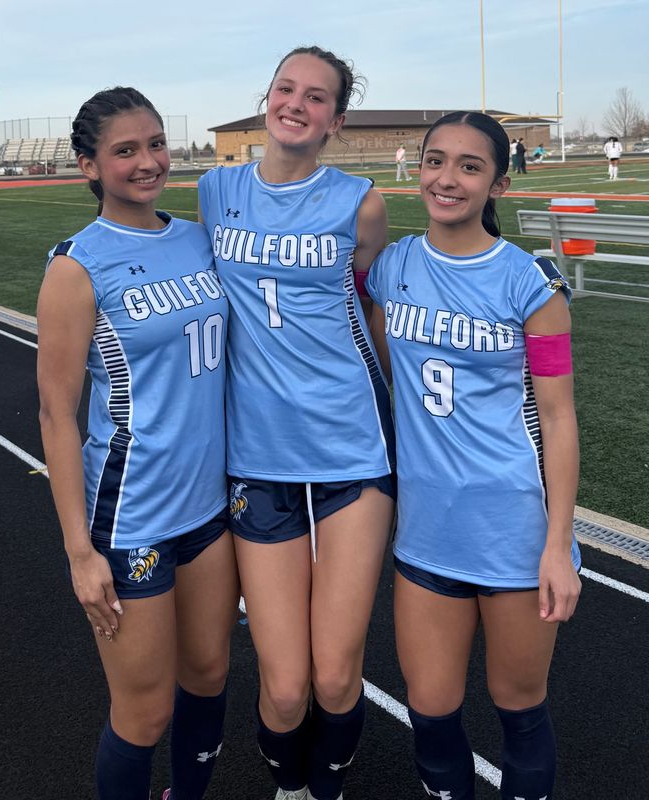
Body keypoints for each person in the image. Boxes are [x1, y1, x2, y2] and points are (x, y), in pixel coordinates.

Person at [198, 46, 396, 800]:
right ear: (267, 97)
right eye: (287, 88)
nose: (297, 104)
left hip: (351, 454)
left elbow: (371, 307)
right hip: (257, 459)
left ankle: (327, 787)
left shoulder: (361, 202)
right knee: (285, 687)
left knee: (338, 675)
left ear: (335, 121)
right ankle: (288, 786)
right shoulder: (215, 190)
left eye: (317, 98)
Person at [366, 111, 581, 800]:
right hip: (427, 535)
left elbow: (558, 417)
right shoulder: (393, 267)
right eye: (435, 160)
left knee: (519, 710)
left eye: (469, 166)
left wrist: (558, 545)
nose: (446, 178)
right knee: (430, 714)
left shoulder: (531, 285)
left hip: (514, 534)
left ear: (498, 185)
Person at [36, 86, 239, 800]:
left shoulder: (196, 237)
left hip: (210, 510)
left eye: (155, 143)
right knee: (145, 711)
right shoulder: (76, 266)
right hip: (132, 518)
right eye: (125, 150)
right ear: (89, 165)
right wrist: (79, 553)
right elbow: (57, 415)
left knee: (210, 678)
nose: (149, 161)